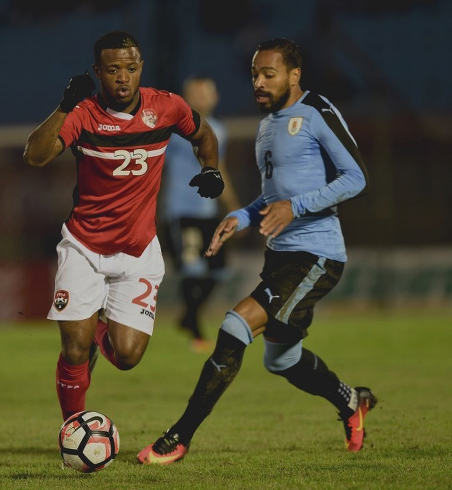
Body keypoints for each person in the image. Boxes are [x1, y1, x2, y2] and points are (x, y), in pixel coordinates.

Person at [137, 37, 376, 465]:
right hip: (281, 255)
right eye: (254, 75)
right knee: (282, 360)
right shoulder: (267, 126)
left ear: (294, 75)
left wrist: (296, 207)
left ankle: (179, 436)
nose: (259, 83)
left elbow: (355, 177)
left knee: (234, 325)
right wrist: (241, 218)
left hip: (317, 255)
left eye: (269, 74)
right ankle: (350, 400)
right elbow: (271, 200)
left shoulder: (317, 112)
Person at [23, 31, 224, 422]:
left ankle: (97, 327)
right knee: (74, 349)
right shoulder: (83, 114)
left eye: (130, 68)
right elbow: (35, 155)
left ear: (141, 68)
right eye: (113, 69)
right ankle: (73, 430)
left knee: (128, 356)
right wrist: (65, 105)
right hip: (84, 246)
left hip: (138, 251)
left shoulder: (166, 108)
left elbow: (203, 133)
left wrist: (212, 168)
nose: (122, 77)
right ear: (98, 71)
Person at [162, 77, 239, 352]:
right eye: (196, 93)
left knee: (219, 271)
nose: (202, 98)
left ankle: (188, 316)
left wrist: (232, 206)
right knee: (192, 269)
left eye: (206, 93)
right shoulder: (172, 132)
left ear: (215, 97)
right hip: (181, 211)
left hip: (208, 211)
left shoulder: (219, 129)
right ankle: (195, 326)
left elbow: (220, 169)